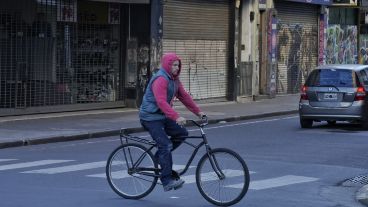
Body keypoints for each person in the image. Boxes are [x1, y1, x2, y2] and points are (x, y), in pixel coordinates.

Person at [139, 52, 206, 192]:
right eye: (174, 65)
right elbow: (161, 101)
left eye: (178, 65)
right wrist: (176, 117)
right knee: (165, 145)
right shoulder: (161, 79)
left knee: (182, 133)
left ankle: (159, 157)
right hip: (150, 117)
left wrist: (198, 112)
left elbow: (184, 97)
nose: (177, 67)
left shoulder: (174, 80)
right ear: (167, 65)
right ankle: (167, 181)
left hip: (162, 116)